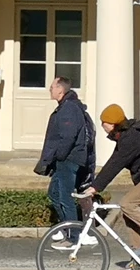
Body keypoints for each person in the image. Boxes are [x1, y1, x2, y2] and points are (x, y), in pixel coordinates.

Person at [76, 103, 140, 244]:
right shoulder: (125, 137)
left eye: (103, 123)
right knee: (129, 214)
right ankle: (138, 256)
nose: (102, 126)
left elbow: (115, 165)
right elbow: (113, 162)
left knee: (127, 204)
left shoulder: (130, 138)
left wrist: (95, 188)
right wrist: (95, 185)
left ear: (112, 124)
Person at [33, 74, 96, 226]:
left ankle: (73, 234)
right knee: (54, 194)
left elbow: (68, 136)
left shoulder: (69, 108)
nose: (50, 89)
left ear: (60, 90)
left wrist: (59, 156)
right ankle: (66, 228)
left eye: (53, 86)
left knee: (64, 197)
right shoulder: (66, 106)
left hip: (68, 160)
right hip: (64, 160)